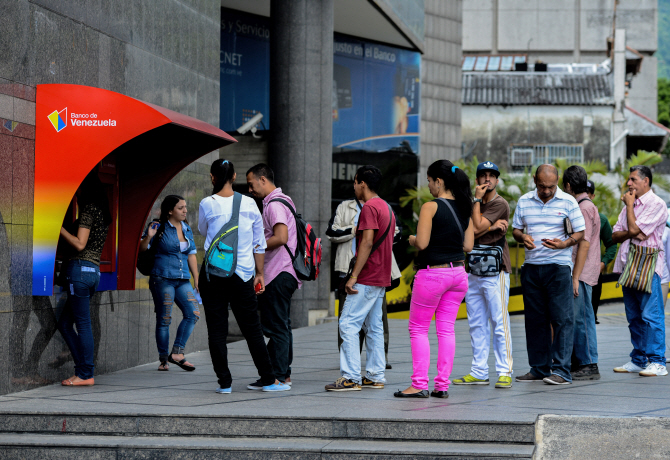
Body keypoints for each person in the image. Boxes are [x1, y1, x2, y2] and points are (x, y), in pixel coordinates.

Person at [198, 159, 289, 394]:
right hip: (242, 274)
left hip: (213, 274)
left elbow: (204, 232)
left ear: (212, 177)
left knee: (216, 330)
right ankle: (268, 379)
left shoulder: (206, 203)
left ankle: (224, 383)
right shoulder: (249, 204)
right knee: (252, 329)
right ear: (235, 176)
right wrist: (260, 273)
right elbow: (259, 244)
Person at [395, 160, 474, 399]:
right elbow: (468, 246)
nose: (428, 186)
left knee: (418, 328)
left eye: (429, 181)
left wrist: (410, 238)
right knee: (446, 329)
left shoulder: (431, 207)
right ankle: (442, 385)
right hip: (458, 274)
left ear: (439, 181)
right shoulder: (465, 207)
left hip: (433, 274)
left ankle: (419, 384)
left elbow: (422, 243)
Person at [512, 164, 585, 385]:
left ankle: (562, 370)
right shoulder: (524, 200)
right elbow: (516, 229)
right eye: (542, 186)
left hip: (558, 267)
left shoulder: (569, 201)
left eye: (551, 187)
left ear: (558, 182)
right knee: (535, 320)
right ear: (535, 180)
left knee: (562, 319)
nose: (546, 191)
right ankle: (539, 367)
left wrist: (564, 243)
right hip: (532, 267)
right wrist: (522, 237)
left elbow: (580, 232)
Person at [325, 165, 395, 392]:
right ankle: (375, 375)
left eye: (355, 183)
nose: (354, 187)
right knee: (373, 327)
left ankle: (351, 377)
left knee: (347, 324)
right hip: (381, 277)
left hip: (367, 275)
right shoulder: (387, 207)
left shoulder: (369, 208)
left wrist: (353, 276)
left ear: (362, 183)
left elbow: (366, 242)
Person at [456, 161, 513, 389]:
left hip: (495, 270)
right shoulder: (472, 203)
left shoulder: (500, 203)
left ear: (497, 180)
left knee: (499, 322)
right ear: (477, 179)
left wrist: (477, 207)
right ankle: (479, 371)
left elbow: (476, 226)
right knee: (476, 322)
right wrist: (490, 227)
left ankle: (505, 370)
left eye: (491, 175)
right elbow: (470, 231)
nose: (487, 179)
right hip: (474, 269)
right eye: (483, 175)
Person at [245, 164, 300, 387]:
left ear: (263, 180)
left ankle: (276, 376)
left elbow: (281, 237)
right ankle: (282, 373)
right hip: (286, 272)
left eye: (251, 184)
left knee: (276, 327)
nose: (250, 190)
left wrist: (255, 246)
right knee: (282, 326)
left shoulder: (274, 205)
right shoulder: (284, 200)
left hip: (278, 272)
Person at [611, 165, 668, 377]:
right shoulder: (631, 204)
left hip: (647, 267)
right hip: (627, 267)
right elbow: (615, 236)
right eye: (629, 180)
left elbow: (634, 230)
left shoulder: (657, 204)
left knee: (651, 316)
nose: (629, 184)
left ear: (646, 181)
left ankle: (658, 362)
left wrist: (629, 209)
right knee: (634, 316)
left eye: (633, 179)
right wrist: (631, 230)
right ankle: (639, 359)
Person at [57, 169, 112, 386]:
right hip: (93, 272)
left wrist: (58, 228)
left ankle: (85, 373)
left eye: (78, 186)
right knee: (65, 323)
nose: (75, 191)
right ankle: (82, 369)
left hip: (79, 270)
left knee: (82, 323)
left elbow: (80, 243)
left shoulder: (89, 210)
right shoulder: (104, 214)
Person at [139, 195, 200, 372]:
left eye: (185, 207)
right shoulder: (158, 227)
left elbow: (191, 254)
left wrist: (196, 278)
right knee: (164, 318)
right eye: (181, 208)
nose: (185, 210)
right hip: (162, 278)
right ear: (170, 210)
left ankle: (177, 353)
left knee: (193, 313)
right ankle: (163, 359)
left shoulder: (187, 228)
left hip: (182, 279)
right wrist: (148, 237)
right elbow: (142, 249)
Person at [563, 166, 600, 381]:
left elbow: (583, 242)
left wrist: (575, 276)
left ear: (568, 186)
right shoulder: (586, 205)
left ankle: (588, 362)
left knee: (582, 318)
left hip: (582, 271)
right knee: (580, 317)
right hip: (583, 269)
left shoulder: (583, 208)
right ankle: (582, 360)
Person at [585, 180, 618, 323]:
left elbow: (611, 244)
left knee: (591, 317)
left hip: (593, 273)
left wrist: (603, 263)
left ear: (592, 196)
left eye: (586, 193)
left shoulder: (601, 219)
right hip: (571, 272)